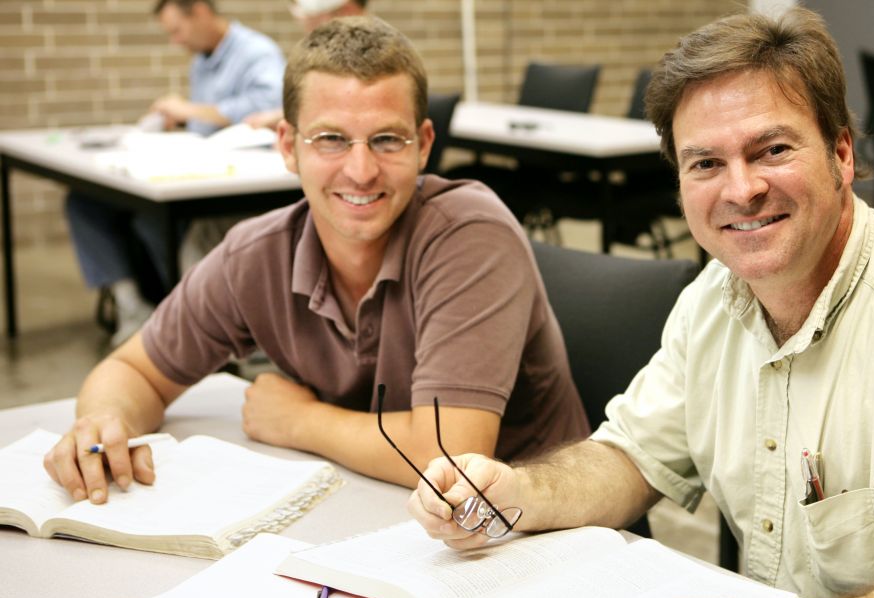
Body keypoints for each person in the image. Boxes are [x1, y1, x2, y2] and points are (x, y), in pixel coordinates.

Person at [408, 8, 874, 598]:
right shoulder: (714, 299)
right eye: (705, 163)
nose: (742, 189)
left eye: (772, 150)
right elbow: (632, 457)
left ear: (842, 154)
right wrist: (511, 491)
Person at [43, 17, 588, 508]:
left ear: (423, 146)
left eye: (386, 140)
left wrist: (300, 421)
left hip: (534, 535)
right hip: (376, 510)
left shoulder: (469, 235)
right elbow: (132, 370)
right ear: (287, 145)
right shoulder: (256, 254)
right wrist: (104, 422)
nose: (361, 170)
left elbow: (450, 456)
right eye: (330, 139)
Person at [68, 0, 287, 346]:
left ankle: (194, 319)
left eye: (177, 30)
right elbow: (208, 120)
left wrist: (190, 109)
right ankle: (133, 308)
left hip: (238, 179)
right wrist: (183, 119)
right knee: (84, 202)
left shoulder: (256, 51)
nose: (175, 41)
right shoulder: (202, 61)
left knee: (151, 217)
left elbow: (270, 106)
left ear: (199, 11)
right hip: (202, 164)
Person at [243, 0, 369, 131]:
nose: (302, 22)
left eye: (311, 16)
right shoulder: (329, 55)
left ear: (347, 11)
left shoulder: (371, 59)